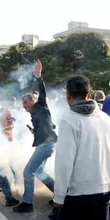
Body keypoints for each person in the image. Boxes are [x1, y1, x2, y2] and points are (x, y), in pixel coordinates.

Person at [52, 76, 110, 220]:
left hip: (78, 194)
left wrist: (59, 196)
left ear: (68, 96)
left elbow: (64, 162)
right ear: (89, 95)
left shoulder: (69, 120)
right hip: (104, 190)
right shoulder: (105, 119)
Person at [13, 60, 57, 213]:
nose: (23, 106)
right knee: (38, 172)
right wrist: (34, 132)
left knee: (28, 171)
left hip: (47, 144)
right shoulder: (34, 113)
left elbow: (42, 93)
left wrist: (39, 77)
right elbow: (46, 125)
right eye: (22, 104)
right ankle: (60, 194)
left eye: (25, 103)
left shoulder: (40, 105)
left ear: (32, 101)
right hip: (46, 143)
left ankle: (27, 203)